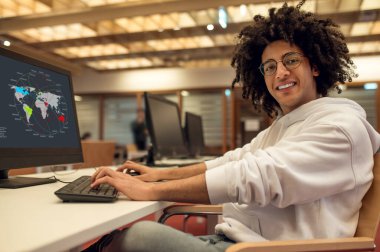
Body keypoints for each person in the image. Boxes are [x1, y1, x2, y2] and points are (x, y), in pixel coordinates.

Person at [86, 1, 380, 251]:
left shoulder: (340, 126)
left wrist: (151, 192)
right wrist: (159, 175)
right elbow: (234, 160)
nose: (280, 72)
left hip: (264, 249)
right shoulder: (288, 125)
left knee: (136, 238)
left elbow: (257, 175)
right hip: (240, 241)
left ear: (315, 66)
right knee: (116, 240)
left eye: (291, 60)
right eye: (269, 66)